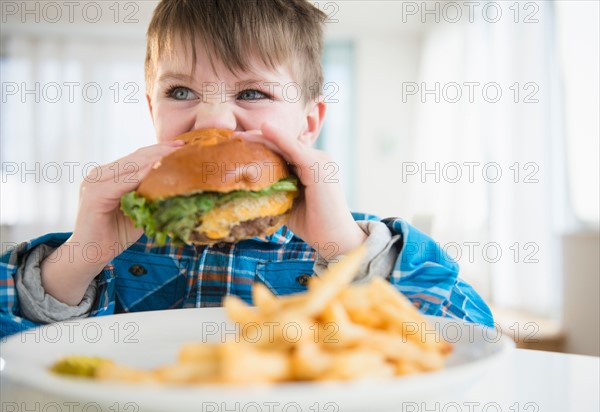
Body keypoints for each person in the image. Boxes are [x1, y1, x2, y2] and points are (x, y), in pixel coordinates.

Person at [0, 0, 493, 339]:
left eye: (252, 93)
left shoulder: (349, 240)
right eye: (181, 92)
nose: (212, 120)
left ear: (308, 123)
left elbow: (470, 338)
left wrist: (347, 253)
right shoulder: (111, 248)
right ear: (152, 110)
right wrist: (79, 256)